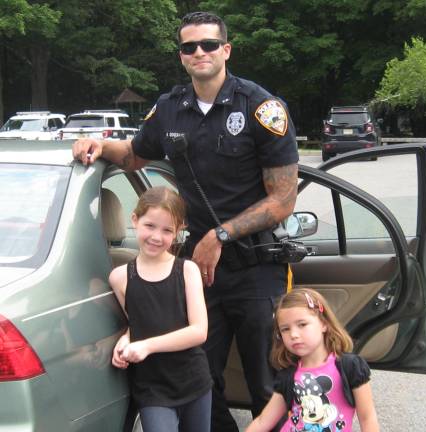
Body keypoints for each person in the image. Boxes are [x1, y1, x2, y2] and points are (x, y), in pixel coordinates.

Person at [73, 11, 298, 431]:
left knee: (267, 383)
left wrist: (220, 233)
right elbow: (135, 154)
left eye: (209, 44)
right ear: (181, 56)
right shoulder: (171, 108)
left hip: (256, 267)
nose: (199, 52)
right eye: (189, 46)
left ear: (225, 50)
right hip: (200, 271)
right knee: (199, 379)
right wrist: (98, 144)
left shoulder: (262, 108)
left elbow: (283, 199)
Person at [110, 187, 213, 432]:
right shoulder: (120, 277)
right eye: (150, 226)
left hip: (193, 381)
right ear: (134, 220)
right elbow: (139, 321)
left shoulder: (186, 270)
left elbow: (199, 331)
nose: (157, 237)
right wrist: (125, 339)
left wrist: (145, 345)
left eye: (167, 230)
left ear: (179, 231)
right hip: (152, 388)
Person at [246, 288, 379, 432]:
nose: (294, 334)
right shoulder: (288, 376)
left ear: (324, 324)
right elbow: (262, 422)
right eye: (285, 329)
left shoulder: (349, 367)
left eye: (302, 324)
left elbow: (367, 417)